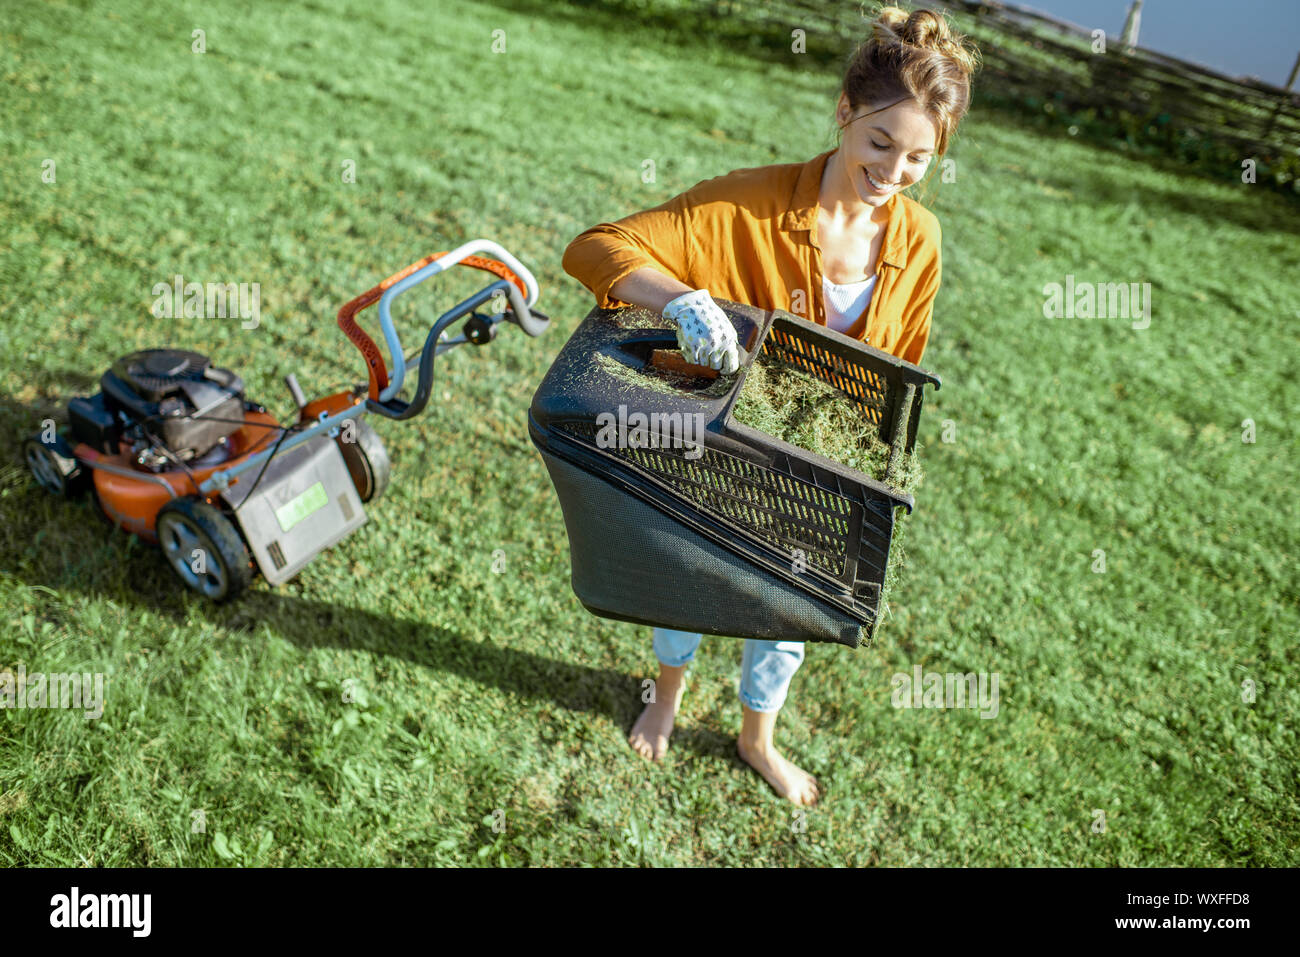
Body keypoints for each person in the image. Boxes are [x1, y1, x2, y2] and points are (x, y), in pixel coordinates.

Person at [560, 5, 978, 805]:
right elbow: (596, 246)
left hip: (821, 464)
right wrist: (681, 298)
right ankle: (669, 697)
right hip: (716, 440)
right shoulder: (747, 203)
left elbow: (902, 365)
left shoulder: (919, 240)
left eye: (920, 157)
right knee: (689, 575)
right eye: (879, 143)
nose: (893, 172)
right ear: (845, 114)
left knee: (790, 610)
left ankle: (757, 738)